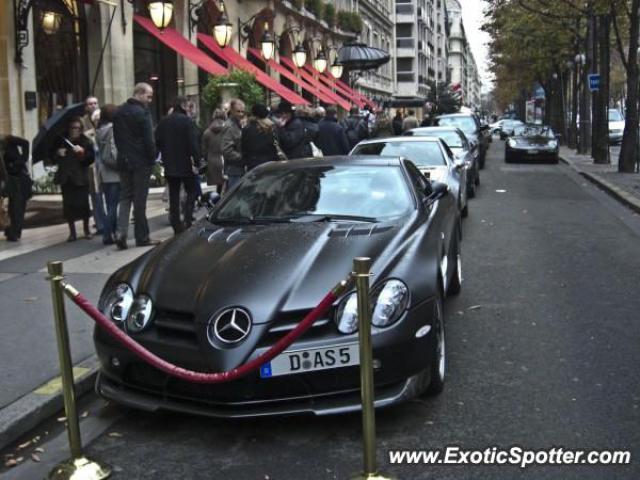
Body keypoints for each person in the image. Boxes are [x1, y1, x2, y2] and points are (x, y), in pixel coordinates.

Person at [113, 82, 158, 249]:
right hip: (141, 162)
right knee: (140, 200)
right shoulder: (143, 113)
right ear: (139, 94)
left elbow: (117, 139)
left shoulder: (118, 112)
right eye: (148, 96)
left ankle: (121, 233)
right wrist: (152, 158)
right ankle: (142, 236)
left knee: (125, 197)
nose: (150, 100)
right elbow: (149, 140)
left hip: (123, 160)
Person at [155, 96, 200, 234]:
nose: (189, 109)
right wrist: (197, 161)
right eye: (188, 106)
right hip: (185, 163)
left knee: (173, 195)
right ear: (183, 105)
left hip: (170, 163)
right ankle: (187, 218)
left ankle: (176, 223)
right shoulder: (187, 122)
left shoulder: (163, 122)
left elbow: (157, 141)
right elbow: (193, 144)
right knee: (192, 191)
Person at [52, 117, 95, 241]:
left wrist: (82, 153)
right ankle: (72, 232)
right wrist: (58, 153)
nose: (74, 130)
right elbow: (52, 158)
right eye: (72, 128)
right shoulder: (62, 142)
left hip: (80, 178)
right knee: (68, 205)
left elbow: (90, 159)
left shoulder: (85, 142)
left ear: (81, 129)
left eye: (77, 128)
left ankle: (86, 230)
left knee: (83, 205)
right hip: (66, 178)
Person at [95, 104, 120, 245]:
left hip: (104, 171)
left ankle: (111, 232)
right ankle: (108, 234)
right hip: (114, 172)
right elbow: (114, 149)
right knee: (113, 206)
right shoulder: (112, 129)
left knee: (110, 204)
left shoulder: (99, 130)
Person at [81, 96, 106, 235]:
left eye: (95, 103)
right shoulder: (83, 122)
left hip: (105, 163)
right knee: (96, 195)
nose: (93, 105)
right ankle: (100, 223)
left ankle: (109, 220)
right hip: (92, 165)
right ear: (86, 106)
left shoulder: (105, 119)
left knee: (109, 194)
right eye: (90, 103)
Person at [0, 135, 31, 241]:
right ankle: (11, 230)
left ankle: (15, 232)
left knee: (17, 205)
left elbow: (26, 143)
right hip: (8, 179)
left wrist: (22, 160)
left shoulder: (8, 140)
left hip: (19, 177)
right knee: (11, 207)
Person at [241, 103, 278, 170]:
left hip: (254, 165)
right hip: (270, 164)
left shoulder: (247, 129)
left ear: (253, 115)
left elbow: (244, 148)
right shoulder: (271, 127)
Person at [221, 99, 246, 190]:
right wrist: (242, 158)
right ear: (231, 110)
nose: (241, 114)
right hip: (234, 170)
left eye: (242, 111)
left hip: (238, 169)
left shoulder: (236, 124)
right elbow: (226, 150)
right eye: (238, 111)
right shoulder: (230, 126)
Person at [202, 109, 227, 194]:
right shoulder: (227, 130)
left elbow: (204, 150)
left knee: (218, 187)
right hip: (225, 160)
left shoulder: (207, 132)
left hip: (212, 160)